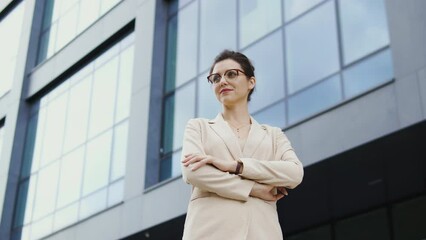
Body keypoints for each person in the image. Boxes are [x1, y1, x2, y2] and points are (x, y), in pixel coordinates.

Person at [180, 50, 304, 240]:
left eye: (231, 74)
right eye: (215, 78)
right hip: (210, 232)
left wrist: (237, 166)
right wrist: (253, 189)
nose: (222, 81)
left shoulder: (273, 135)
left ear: (251, 82)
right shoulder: (198, 127)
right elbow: (193, 172)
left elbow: (294, 173)